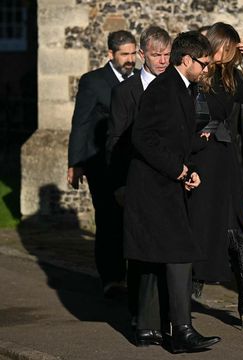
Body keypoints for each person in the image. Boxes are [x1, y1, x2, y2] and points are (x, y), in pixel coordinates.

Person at [123, 31, 220, 354]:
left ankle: (155, 328)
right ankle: (181, 331)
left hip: (165, 185)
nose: (206, 69)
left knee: (161, 257)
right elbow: (143, 138)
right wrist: (178, 170)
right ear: (187, 59)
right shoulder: (164, 89)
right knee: (179, 254)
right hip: (153, 188)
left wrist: (191, 159)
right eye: (203, 63)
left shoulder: (181, 88)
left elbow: (173, 136)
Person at [189, 22, 243, 330]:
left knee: (239, 231)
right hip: (200, 160)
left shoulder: (230, 77)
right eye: (224, 49)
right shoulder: (195, 76)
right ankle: (182, 303)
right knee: (201, 229)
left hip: (225, 163)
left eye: (231, 50)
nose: (226, 56)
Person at [107, 26, 172, 347]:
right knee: (141, 252)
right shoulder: (126, 92)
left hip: (170, 181)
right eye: (157, 55)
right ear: (142, 55)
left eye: (167, 55)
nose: (162, 61)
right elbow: (115, 142)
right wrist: (119, 184)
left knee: (167, 252)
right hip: (137, 181)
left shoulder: (177, 87)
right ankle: (139, 315)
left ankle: (166, 316)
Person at [67, 30, 137, 297]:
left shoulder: (143, 80)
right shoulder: (93, 82)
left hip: (134, 162)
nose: (130, 59)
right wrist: (75, 163)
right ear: (111, 54)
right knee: (109, 220)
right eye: (124, 54)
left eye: (133, 53)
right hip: (101, 164)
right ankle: (112, 278)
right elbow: (81, 123)